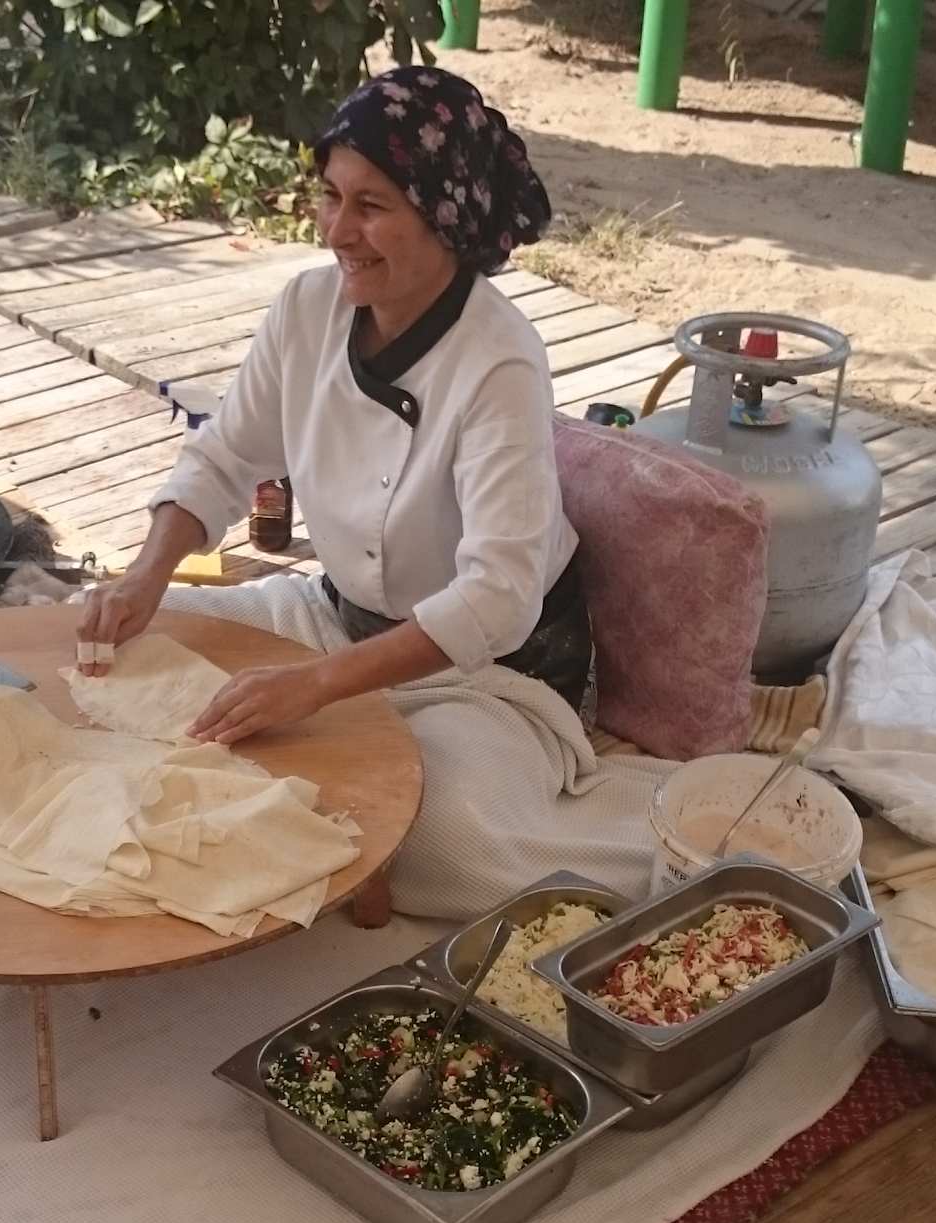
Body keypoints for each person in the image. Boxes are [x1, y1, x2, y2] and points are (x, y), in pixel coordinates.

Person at [74, 64, 586, 745]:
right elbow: (225, 457)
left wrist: (315, 685)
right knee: (133, 649)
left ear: (445, 219)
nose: (338, 231)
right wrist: (144, 578)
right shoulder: (307, 309)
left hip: (488, 674)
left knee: (436, 804)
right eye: (330, 196)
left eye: (370, 206)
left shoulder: (499, 362)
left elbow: (498, 598)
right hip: (337, 621)